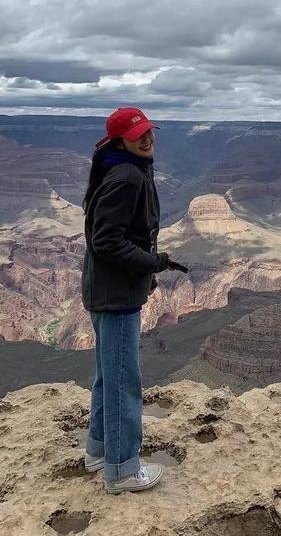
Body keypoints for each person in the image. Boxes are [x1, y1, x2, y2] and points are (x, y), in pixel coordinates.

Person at [81, 106, 188, 494]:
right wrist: (152, 264)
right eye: (137, 133)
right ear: (119, 139)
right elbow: (106, 241)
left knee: (108, 375)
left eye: (148, 131)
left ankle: (97, 450)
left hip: (108, 289)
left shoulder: (119, 167)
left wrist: (145, 268)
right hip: (116, 295)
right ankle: (122, 469)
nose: (147, 138)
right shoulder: (127, 176)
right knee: (124, 380)